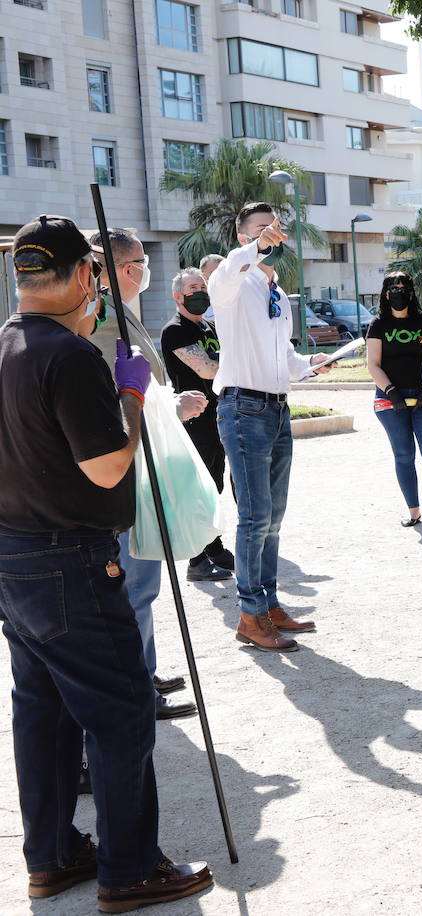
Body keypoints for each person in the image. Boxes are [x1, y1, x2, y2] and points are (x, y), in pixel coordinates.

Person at [0, 215, 213, 910]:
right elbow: (106, 468)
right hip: (70, 560)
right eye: (96, 272)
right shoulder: (67, 356)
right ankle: (129, 868)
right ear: (87, 275)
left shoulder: (5, 344)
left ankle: (54, 855)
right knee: (122, 712)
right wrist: (129, 396)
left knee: (44, 714)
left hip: (15, 556)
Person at [88, 229, 201, 722]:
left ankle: (143, 671)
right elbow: (119, 396)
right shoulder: (104, 320)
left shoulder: (117, 312)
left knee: (142, 584)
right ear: (128, 269)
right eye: (141, 263)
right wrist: (172, 405)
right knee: (135, 586)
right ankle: (139, 688)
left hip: (140, 464)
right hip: (128, 471)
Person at [208, 203, 331, 651]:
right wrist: (255, 249)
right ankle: (250, 615)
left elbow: (284, 360)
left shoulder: (274, 290)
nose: (273, 234)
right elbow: (221, 279)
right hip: (243, 409)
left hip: (276, 409)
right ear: (242, 239)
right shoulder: (232, 282)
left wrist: (311, 364)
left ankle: (269, 603)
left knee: (273, 518)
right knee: (255, 516)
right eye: (261, 230)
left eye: (275, 229)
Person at [160, 268, 235, 582]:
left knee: (214, 484)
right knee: (197, 487)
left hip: (218, 415)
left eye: (202, 286)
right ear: (178, 296)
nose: (199, 292)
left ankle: (212, 546)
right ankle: (196, 560)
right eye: (192, 288)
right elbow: (207, 369)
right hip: (194, 419)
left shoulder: (211, 326)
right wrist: (238, 365)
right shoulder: (175, 331)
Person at [365, 272, 422, 528]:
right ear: (384, 293)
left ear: (411, 292)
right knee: (403, 455)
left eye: (402, 287)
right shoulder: (378, 324)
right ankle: (414, 512)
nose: (397, 292)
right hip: (391, 400)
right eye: (392, 287)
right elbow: (372, 364)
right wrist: (392, 392)